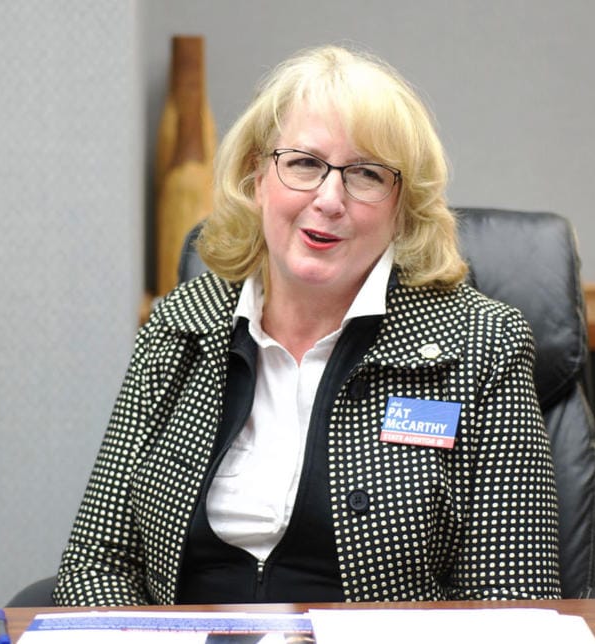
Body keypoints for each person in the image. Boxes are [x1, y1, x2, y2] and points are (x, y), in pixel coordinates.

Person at [53, 44, 562, 606]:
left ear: (402, 208)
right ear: (257, 177)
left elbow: (514, 598)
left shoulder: (479, 347)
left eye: (366, 174)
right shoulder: (181, 326)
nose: (329, 198)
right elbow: (97, 563)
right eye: (303, 164)